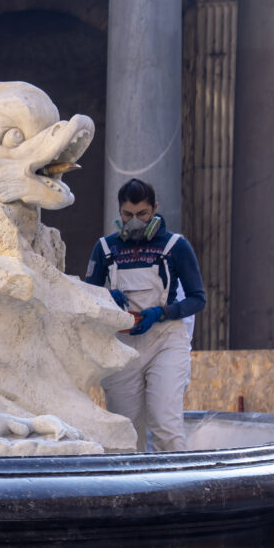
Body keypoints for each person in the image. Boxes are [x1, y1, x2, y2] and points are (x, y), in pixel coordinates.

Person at [84, 178, 206, 452]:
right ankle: (131, 491)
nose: (135, 221)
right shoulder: (105, 248)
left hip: (166, 340)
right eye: (128, 215)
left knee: (166, 423)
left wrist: (161, 313)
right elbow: (86, 297)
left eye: (142, 214)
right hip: (121, 343)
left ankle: (176, 490)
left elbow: (198, 299)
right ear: (119, 211)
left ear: (155, 209)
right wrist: (105, 297)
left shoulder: (176, 246)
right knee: (123, 432)